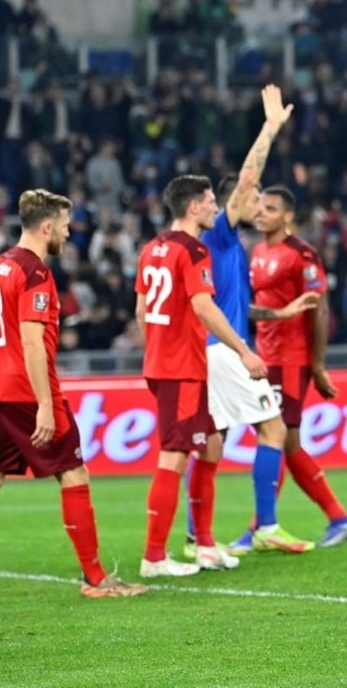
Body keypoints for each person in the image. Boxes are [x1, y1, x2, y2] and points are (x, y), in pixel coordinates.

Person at [0, 189, 147, 605]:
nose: (67, 232)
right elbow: (32, 341)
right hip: (26, 391)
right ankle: (96, 578)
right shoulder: (36, 273)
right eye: (63, 225)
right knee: (74, 474)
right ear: (46, 227)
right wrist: (45, 404)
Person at [181, 85, 315, 557]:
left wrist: (276, 313)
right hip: (224, 352)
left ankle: (198, 537)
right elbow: (245, 179)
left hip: (210, 348)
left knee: (210, 444)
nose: (257, 204)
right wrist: (270, 128)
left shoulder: (219, 248)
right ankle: (268, 526)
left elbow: (232, 304)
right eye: (254, 198)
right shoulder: (219, 233)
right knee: (274, 430)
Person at [135, 174, 268, 578]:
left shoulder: (153, 247)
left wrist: (157, 347)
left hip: (172, 363)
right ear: (194, 206)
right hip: (181, 368)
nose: (215, 206)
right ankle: (154, 556)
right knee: (174, 456)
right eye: (211, 201)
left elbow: (142, 310)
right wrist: (244, 351)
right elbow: (204, 308)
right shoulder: (193, 251)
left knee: (210, 447)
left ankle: (205, 546)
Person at [231, 185, 347, 549]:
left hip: (291, 359)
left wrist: (317, 365)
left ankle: (263, 526)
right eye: (259, 207)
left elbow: (318, 308)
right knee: (285, 442)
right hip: (265, 355)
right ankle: (335, 518)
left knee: (277, 437)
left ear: (288, 215)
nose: (261, 214)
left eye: (270, 208)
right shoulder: (257, 251)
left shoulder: (301, 253)